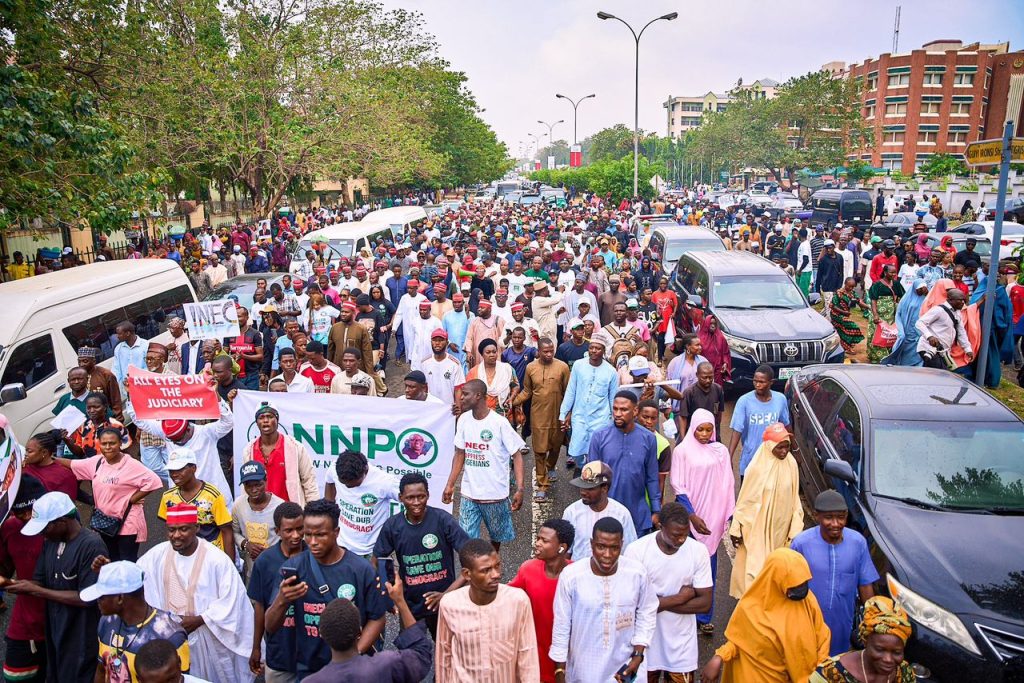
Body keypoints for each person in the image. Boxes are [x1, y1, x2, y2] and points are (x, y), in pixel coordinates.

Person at [266, 499, 388, 677]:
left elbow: (377, 618)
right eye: (307, 534)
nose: (312, 542)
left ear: (336, 532)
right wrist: (282, 601)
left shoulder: (361, 569)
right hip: (309, 671)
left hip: (351, 672)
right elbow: (270, 626)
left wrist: (352, 658)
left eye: (321, 534)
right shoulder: (294, 567)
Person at [8, 491, 107, 683]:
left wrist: (38, 591)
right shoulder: (50, 542)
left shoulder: (92, 545)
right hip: (55, 631)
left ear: (62, 521)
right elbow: (39, 580)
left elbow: (87, 597)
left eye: (45, 527)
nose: (41, 533)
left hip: (81, 637)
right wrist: (13, 584)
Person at [550, 517, 657, 683]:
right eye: (601, 547)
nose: (607, 555)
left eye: (614, 548)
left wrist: (638, 655)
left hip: (626, 669)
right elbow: (562, 626)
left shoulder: (637, 573)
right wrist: (559, 670)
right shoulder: (572, 576)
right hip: (583, 672)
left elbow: (647, 612)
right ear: (592, 544)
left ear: (621, 545)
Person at [700, 549, 830, 683]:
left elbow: (822, 634)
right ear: (775, 579)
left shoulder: (807, 601)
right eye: (795, 585)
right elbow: (739, 641)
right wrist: (719, 657)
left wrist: (819, 672)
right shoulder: (750, 608)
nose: (801, 589)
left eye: (804, 582)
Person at [624, 502, 713, 681]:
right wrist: (680, 598)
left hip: (681, 645)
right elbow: (631, 604)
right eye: (675, 535)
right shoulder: (637, 551)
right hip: (645, 643)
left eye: (685, 534)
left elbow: (705, 604)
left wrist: (655, 603)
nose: (681, 540)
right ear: (660, 526)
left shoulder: (698, 551)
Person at [374, 473, 469, 638]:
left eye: (421, 496)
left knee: (447, 653)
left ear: (428, 495)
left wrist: (447, 595)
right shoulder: (393, 526)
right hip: (411, 605)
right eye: (410, 498)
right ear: (401, 498)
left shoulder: (443, 520)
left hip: (444, 605)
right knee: (411, 654)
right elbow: (377, 561)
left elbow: (473, 560)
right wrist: (388, 596)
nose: (416, 502)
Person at [435, 539, 539, 683]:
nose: (496, 574)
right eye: (486, 570)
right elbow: (444, 655)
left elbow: (527, 654)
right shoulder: (450, 605)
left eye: (497, 566)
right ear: (466, 574)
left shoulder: (518, 601)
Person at [670, 408, 735, 634]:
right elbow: (678, 486)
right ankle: (682, 612)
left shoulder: (720, 452)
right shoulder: (682, 452)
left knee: (709, 567)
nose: (705, 434)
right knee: (685, 566)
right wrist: (692, 517)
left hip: (712, 520)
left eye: (709, 429)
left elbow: (727, 482)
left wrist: (727, 513)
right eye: (700, 429)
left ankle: (705, 616)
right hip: (690, 518)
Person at [791, 490, 879, 657]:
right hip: (807, 622)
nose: (836, 523)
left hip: (842, 626)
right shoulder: (801, 544)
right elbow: (788, 584)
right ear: (817, 516)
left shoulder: (858, 543)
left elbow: (865, 584)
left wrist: (872, 621)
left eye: (841, 517)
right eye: (829, 517)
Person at [57, 426, 162, 561]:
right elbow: (73, 464)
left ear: (120, 443)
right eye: (104, 443)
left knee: (127, 563)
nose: (108, 447)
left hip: (127, 524)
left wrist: (131, 499)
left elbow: (154, 481)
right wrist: (51, 458)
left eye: (112, 443)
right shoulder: (97, 462)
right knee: (111, 559)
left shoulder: (131, 465)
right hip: (104, 522)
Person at [443, 380, 525, 551]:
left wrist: (520, 488)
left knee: (497, 536)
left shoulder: (499, 423)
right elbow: (460, 453)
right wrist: (450, 485)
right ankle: (473, 573)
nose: (461, 397)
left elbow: (516, 455)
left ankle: (493, 563)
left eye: (465, 394)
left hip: (495, 494)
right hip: (469, 495)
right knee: (466, 541)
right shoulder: (464, 419)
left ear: (478, 396)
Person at [729, 423, 804, 599]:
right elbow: (745, 500)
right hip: (758, 529)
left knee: (776, 569)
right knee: (756, 569)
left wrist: (794, 528)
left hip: (780, 529)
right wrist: (737, 526)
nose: (784, 451)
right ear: (769, 446)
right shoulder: (756, 468)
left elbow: (794, 498)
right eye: (780, 447)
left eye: (786, 447)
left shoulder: (791, 464)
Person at [85, 560, 191, 683]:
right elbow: (102, 670)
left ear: (120, 598)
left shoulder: (171, 635)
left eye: (102, 596)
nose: (97, 600)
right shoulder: (107, 622)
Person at [303, 584, 432, 683]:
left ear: (322, 634)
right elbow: (421, 654)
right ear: (360, 631)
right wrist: (400, 602)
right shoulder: (387, 665)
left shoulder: (312, 681)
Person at [132, 398, 234, 505]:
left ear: (188, 429)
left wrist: (216, 398)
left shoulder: (207, 433)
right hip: (181, 502)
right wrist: (131, 395)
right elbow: (140, 420)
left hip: (214, 500)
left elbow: (228, 421)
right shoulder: (166, 432)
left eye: (178, 439)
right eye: (171, 440)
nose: (175, 443)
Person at [508, 519, 575, 683]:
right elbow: (506, 596)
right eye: (538, 538)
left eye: (544, 541)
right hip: (535, 653)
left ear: (562, 547)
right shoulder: (527, 569)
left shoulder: (576, 574)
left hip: (569, 654)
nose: (537, 543)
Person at [587, 391, 661, 536]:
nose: (618, 413)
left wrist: (656, 510)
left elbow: (652, 478)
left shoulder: (648, 439)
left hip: (638, 516)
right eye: (615, 409)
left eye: (624, 409)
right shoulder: (599, 437)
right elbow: (591, 479)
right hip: (606, 514)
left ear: (635, 411)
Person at [247, 502, 305, 682]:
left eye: (300, 529)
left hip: (312, 657)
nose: (296, 536)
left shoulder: (315, 555)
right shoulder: (265, 561)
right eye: (289, 530)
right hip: (279, 655)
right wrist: (256, 647)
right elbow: (259, 607)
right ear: (277, 531)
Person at [0, 476, 49, 683]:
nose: (28, 517)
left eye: (33, 511)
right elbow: (5, 568)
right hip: (26, 619)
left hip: (63, 620)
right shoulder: (9, 528)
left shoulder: (63, 525)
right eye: (20, 513)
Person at [511, 338, 570, 502]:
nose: (549, 354)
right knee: (539, 450)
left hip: (558, 415)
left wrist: (569, 414)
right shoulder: (531, 367)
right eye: (546, 351)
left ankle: (551, 467)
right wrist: (512, 402)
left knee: (556, 447)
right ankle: (542, 485)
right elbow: (526, 391)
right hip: (538, 416)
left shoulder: (563, 367)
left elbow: (568, 392)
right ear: (538, 351)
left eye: (552, 350)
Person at [810, 596, 917, 683]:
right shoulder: (829, 675)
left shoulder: (904, 673)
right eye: (879, 649)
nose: (888, 659)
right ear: (865, 642)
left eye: (896, 652)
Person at [158, 448, 234, 558]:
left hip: (211, 557)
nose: (174, 474)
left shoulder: (212, 496)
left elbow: (227, 531)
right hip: (183, 557)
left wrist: (229, 565)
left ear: (193, 468)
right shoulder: (168, 498)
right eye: (171, 470)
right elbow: (170, 530)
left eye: (179, 469)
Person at [240, 402, 320, 505]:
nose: (265, 421)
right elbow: (246, 485)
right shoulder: (249, 450)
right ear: (256, 422)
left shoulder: (295, 447)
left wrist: (313, 510)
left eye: (270, 416)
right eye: (261, 417)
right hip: (260, 513)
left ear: (277, 420)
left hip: (290, 514)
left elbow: (309, 481)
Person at [322, 450, 400, 556]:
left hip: (372, 552)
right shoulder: (335, 468)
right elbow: (329, 482)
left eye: (354, 484)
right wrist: (329, 511)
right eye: (344, 484)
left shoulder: (385, 482)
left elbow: (409, 498)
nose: (348, 487)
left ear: (365, 470)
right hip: (341, 545)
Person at [559, 338, 618, 469]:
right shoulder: (578, 366)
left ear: (603, 351)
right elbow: (571, 390)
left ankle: (592, 476)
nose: (594, 351)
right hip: (580, 416)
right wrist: (564, 413)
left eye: (597, 348)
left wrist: (614, 419)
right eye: (591, 347)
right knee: (576, 451)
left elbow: (613, 397)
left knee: (596, 451)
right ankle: (583, 468)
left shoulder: (611, 372)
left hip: (601, 418)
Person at [561, 461, 637, 559]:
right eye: (582, 487)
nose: (583, 492)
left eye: (589, 488)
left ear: (604, 488)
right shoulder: (571, 512)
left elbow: (629, 552)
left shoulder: (622, 514)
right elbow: (565, 551)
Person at [728, 365, 790, 477]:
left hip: (772, 459)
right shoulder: (744, 402)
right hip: (751, 458)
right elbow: (737, 431)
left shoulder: (780, 399)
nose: (757, 385)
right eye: (755, 381)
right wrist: (729, 456)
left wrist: (795, 449)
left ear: (771, 382)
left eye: (762, 382)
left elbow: (786, 425)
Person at [232, 461, 285, 581]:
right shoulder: (239, 505)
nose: (254, 490)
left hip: (277, 572)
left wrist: (271, 553)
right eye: (248, 486)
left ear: (266, 480)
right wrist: (246, 545)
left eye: (258, 484)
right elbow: (234, 532)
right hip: (252, 572)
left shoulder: (280, 506)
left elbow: (289, 537)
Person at [916, 287, 974, 369]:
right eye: (960, 300)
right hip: (928, 348)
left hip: (942, 351)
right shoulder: (939, 310)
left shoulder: (957, 313)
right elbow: (920, 322)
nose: (962, 303)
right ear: (950, 300)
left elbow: (961, 332)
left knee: (931, 375)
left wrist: (967, 349)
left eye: (964, 300)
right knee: (941, 374)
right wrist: (929, 336)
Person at [466, 338, 518, 415]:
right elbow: (468, 393)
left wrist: (511, 398)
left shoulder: (507, 369)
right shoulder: (473, 372)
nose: (492, 355)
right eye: (488, 352)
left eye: (494, 352)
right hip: (481, 414)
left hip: (504, 413)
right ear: (482, 354)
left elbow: (515, 385)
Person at [867, 264, 904, 363]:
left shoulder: (896, 284)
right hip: (878, 313)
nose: (893, 274)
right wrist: (875, 315)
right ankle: (877, 357)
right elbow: (873, 301)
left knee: (889, 335)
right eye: (891, 272)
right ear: (885, 272)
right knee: (877, 334)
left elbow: (902, 297)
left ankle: (888, 356)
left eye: (895, 272)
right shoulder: (877, 285)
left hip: (891, 314)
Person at [419, 329, 465, 405]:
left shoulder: (455, 364)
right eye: (434, 340)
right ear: (431, 342)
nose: (437, 343)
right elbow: (421, 387)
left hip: (448, 408)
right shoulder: (425, 363)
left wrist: (458, 407)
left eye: (440, 340)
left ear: (447, 343)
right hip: (429, 406)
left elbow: (458, 389)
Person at [831, 277, 866, 353]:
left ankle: (845, 347)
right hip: (836, 315)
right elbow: (833, 306)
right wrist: (844, 312)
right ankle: (846, 347)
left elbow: (859, 301)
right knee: (853, 327)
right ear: (845, 284)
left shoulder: (852, 293)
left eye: (852, 287)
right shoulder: (839, 293)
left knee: (843, 331)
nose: (850, 288)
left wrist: (868, 307)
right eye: (849, 286)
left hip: (845, 315)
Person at [112, 321, 148, 387]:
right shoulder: (118, 348)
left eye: (119, 334)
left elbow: (149, 367)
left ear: (128, 333)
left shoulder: (145, 345)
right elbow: (116, 369)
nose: (117, 336)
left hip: (144, 385)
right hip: (127, 388)